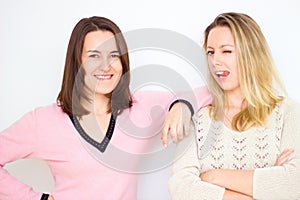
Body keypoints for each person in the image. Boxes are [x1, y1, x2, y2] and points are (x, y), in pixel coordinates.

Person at [0, 16, 211, 199]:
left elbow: (209, 93)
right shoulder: (43, 122)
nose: (106, 65)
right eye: (94, 56)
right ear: (77, 62)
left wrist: (181, 105)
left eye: (114, 55)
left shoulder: (139, 108)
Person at [168, 12, 300, 200]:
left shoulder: (289, 113)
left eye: (226, 51)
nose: (215, 61)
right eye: (211, 52)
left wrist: (214, 177)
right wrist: (264, 188)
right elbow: (181, 188)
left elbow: (294, 183)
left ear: (252, 54)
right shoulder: (197, 119)